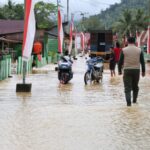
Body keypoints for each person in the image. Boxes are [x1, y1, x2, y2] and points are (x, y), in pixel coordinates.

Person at [118, 37, 145, 106]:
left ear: (127, 41)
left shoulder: (124, 50)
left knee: (127, 88)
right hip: (136, 70)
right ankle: (134, 101)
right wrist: (143, 71)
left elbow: (120, 62)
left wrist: (119, 71)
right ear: (135, 41)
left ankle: (128, 104)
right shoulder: (139, 50)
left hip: (127, 70)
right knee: (135, 86)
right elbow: (142, 62)